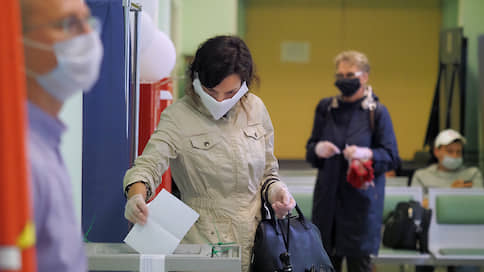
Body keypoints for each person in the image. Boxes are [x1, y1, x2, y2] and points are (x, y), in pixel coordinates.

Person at [123, 35, 296, 272]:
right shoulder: (178, 117)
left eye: (230, 92)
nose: (220, 100)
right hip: (202, 242)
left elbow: (267, 172)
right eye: (211, 92)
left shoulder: (255, 109)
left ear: (245, 84)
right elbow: (147, 167)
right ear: (196, 79)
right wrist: (136, 197)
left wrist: (278, 192)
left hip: (256, 242)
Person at [21, 0, 103, 270]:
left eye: (87, 21)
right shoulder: (19, 156)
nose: (87, 36)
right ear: (16, 41)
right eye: (68, 24)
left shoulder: (44, 141)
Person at [305, 51, 400, 272]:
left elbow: (392, 157)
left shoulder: (377, 112)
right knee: (325, 264)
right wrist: (317, 149)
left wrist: (366, 154)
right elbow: (310, 151)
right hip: (327, 205)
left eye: (349, 74)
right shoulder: (326, 108)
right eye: (339, 75)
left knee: (360, 265)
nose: (343, 79)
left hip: (361, 207)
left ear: (364, 76)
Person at [412, 129, 482, 272]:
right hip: (428, 234)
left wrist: (433, 200)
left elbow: (478, 205)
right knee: (422, 261)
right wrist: (452, 193)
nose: (455, 156)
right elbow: (416, 206)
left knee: (468, 266)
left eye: (459, 152)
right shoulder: (422, 175)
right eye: (450, 151)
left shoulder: (472, 174)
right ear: (437, 152)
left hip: (465, 235)